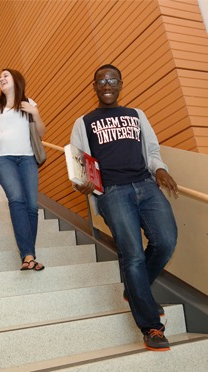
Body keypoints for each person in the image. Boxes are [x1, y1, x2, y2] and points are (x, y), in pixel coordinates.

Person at [70, 64, 178, 351]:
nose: (107, 85)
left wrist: (160, 170)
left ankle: (134, 289)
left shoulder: (137, 115)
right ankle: (151, 326)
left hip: (145, 184)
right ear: (94, 86)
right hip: (113, 193)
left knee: (166, 241)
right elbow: (79, 164)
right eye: (101, 81)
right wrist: (81, 183)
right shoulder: (84, 122)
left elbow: (152, 152)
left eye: (112, 80)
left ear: (120, 84)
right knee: (132, 257)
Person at [0, 69, 46, 271]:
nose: (1, 79)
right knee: (16, 199)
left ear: (16, 79)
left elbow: (40, 133)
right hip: (2, 158)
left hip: (28, 158)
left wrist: (35, 113)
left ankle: (29, 254)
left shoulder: (29, 103)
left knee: (31, 205)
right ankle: (28, 255)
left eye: (5, 75)